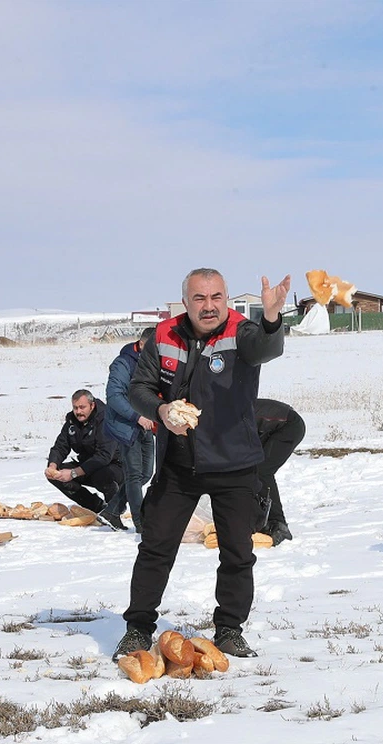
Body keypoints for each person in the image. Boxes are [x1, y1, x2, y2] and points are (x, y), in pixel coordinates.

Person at [113, 267, 291, 660]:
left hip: (235, 461)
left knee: (237, 553)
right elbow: (139, 388)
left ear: (225, 299)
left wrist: (273, 318)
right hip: (179, 464)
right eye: (199, 298)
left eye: (216, 298)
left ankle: (229, 629)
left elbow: (267, 349)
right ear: (186, 301)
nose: (208, 307)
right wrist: (161, 410)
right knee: (156, 547)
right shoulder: (164, 335)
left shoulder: (242, 331)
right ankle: (138, 629)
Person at [45, 390, 127, 530]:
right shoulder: (72, 422)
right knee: (57, 476)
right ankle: (97, 507)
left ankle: (114, 511)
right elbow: (60, 446)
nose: (78, 411)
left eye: (82, 407)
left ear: (92, 405)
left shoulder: (106, 420)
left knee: (101, 475)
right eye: (75, 407)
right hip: (86, 465)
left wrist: (73, 473)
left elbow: (104, 456)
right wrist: (52, 466)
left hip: (114, 466)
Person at [104, 328, 156, 534]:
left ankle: (112, 510)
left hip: (146, 423)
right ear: (142, 345)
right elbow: (114, 396)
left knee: (146, 473)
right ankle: (141, 523)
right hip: (127, 424)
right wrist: (138, 416)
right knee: (134, 475)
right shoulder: (123, 364)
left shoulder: (150, 362)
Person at [254, 398, 306, 545]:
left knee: (262, 471)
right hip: (272, 427)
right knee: (252, 471)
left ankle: (279, 524)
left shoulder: (232, 415)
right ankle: (260, 518)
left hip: (290, 426)